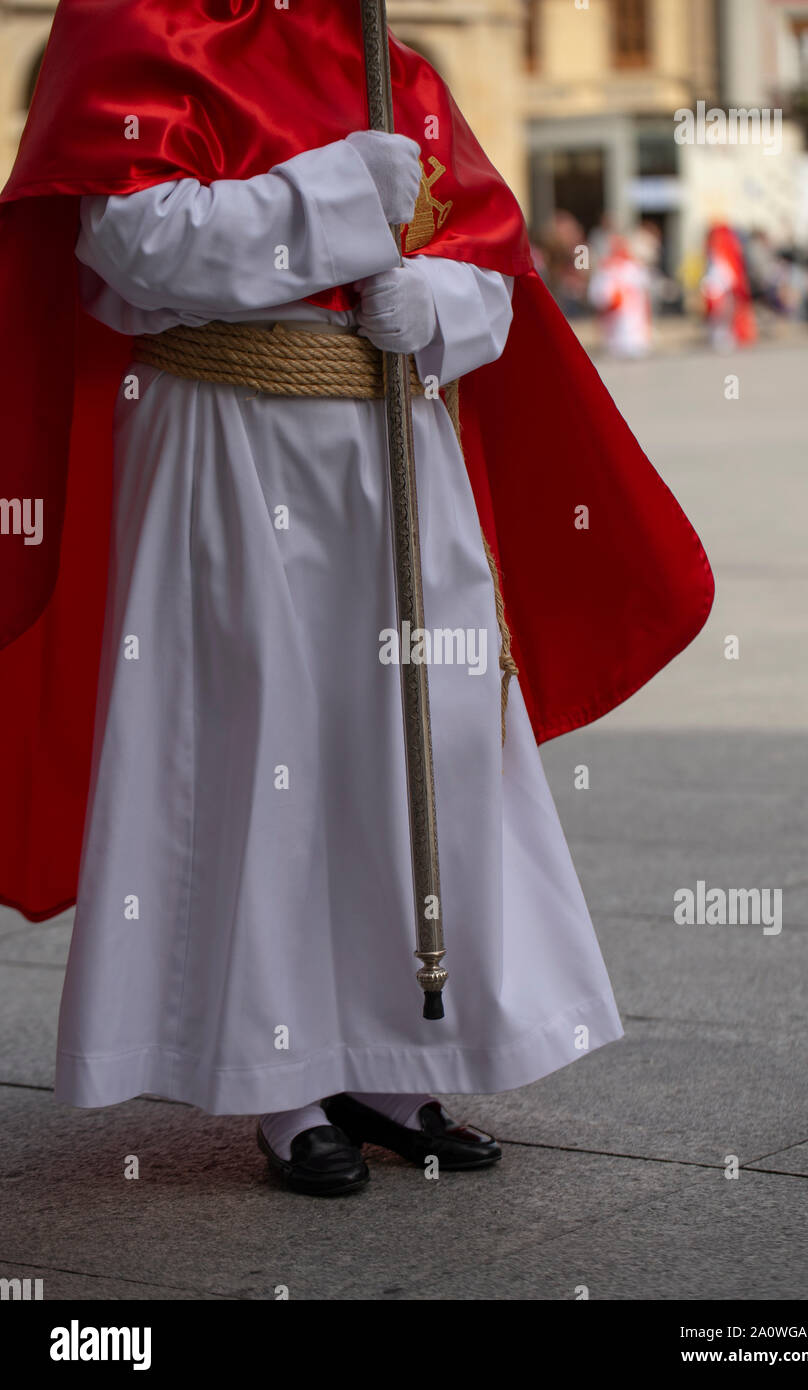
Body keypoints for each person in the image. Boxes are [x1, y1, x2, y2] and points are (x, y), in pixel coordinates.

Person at [0, 0, 713, 1197]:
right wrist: (334, 200)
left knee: (416, 742)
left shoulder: (396, 70)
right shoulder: (130, 29)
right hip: (229, 443)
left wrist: (440, 309)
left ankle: (392, 1053)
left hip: (397, 451)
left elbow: (492, 275)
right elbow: (133, 244)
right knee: (261, 739)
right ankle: (278, 1077)